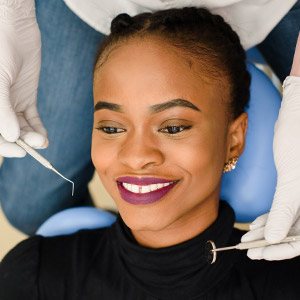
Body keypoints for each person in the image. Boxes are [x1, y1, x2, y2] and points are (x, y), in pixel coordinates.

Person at [1, 7, 300, 299]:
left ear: (233, 140)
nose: (136, 156)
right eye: (112, 128)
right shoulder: (35, 276)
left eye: (172, 128)